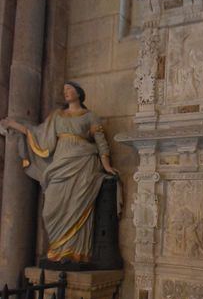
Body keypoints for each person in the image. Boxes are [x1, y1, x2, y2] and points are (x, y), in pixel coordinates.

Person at [0, 81, 118, 266]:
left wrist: (106, 165)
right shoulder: (57, 116)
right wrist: (14, 124)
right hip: (61, 163)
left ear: (79, 92)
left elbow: (101, 141)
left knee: (77, 205)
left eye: (70, 89)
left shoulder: (90, 116)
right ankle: (57, 249)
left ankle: (74, 253)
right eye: (64, 90)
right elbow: (37, 134)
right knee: (50, 209)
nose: (66, 92)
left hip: (83, 164)